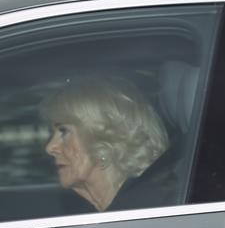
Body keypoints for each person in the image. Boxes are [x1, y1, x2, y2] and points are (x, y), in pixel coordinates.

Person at [41, 75, 174, 212]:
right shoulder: (106, 213)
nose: (50, 147)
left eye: (64, 131)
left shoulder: (149, 211)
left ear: (105, 137)